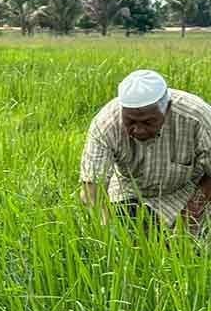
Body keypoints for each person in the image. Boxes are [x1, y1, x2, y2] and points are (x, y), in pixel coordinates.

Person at [80, 69, 211, 234]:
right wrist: (108, 230)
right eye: (130, 121)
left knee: (195, 245)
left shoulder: (197, 117)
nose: (139, 130)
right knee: (132, 233)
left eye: (148, 122)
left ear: (167, 108)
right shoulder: (106, 124)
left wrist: (191, 214)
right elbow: (92, 187)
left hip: (185, 190)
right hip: (131, 189)